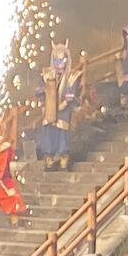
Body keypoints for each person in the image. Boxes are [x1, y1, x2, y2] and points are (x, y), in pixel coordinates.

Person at [36, 40, 83, 171]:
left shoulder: (72, 76)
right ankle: (49, 160)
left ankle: (64, 160)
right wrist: (46, 92)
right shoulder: (46, 74)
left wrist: (62, 105)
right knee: (48, 135)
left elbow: (72, 95)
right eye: (56, 61)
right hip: (49, 111)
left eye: (62, 61)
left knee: (62, 136)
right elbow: (39, 91)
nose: (59, 64)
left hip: (63, 111)